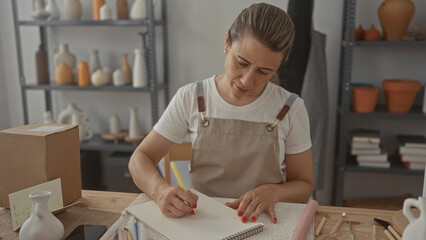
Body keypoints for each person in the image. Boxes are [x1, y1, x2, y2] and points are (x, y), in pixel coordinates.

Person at [128, 2, 313, 224]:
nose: (246, 80)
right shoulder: (193, 97)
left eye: (264, 72)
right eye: (241, 62)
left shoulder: (291, 108)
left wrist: (273, 192)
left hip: (263, 224)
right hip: (202, 222)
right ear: (227, 43)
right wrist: (160, 191)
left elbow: (303, 184)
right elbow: (139, 159)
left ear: (279, 65)